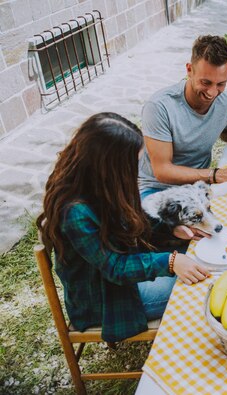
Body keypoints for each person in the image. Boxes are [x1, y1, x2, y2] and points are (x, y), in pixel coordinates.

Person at [37, 113, 212, 342]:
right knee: (198, 284)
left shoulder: (95, 182)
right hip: (106, 299)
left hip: (120, 276)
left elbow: (130, 220)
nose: (136, 171)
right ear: (109, 166)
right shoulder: (74, 212)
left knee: (195, 259)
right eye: (131, 164)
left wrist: (170, 229)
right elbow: (115, 268)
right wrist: (170, 262)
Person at [139, 35, 227, 198]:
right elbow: (163, 171)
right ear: (189, 70)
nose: (213, 93)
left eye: (221, 84)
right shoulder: (159, 107)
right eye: (206, 82)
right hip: (156, 190)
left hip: (199, 187)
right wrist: (217, 175)